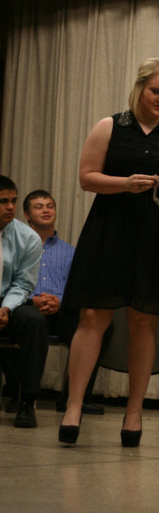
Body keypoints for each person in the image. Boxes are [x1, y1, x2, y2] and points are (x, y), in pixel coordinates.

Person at [58, 57, 159, 447]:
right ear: (139, 88)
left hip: (155, 237)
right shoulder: (110, 126)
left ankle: (134, 413)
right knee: (92, 314)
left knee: (143, 320)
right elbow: (87, 178)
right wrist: (124, 183)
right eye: (156, 91)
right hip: (109, 231)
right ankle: (73, 406)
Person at [22, 189, 103, 415]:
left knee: (99, 326)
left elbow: (79, 289)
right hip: (29, 308)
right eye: (39, 206)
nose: (46, 210)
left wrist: (60, 301)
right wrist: (33, 300)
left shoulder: (71, 252)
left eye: (50, 206)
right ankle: (23, 396)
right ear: (27, 215)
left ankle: (74, 398)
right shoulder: (19, 248)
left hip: (62, 310)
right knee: (31, 323)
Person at [0, 175, 49, 428]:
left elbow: (23, 283)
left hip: (9, 301)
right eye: (3, 201)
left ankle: (27, 402)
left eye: (13, 201)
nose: (10, 207)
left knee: (35, 322)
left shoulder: (27, 237)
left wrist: (5, 308)